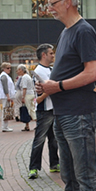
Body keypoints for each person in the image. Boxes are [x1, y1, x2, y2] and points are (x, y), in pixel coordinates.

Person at [37, 0, 96, 191]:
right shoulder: (66, 32)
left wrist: (57, 86)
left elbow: (92, 73)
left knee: (85, 176)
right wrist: (52, 86)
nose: (48, 7)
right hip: (65, 113)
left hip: (77, 112)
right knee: (70, 176)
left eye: (52, 2)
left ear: (68, 3)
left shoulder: (83, 30)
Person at [28, 44, 60, 179]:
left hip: (53, 108)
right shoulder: (39, 71)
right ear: (44, 55)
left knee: (53, 139)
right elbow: (45, 90)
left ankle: (54, 164)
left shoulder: (51, 69)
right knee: (39, 139)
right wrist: (52, 88)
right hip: (44, 109)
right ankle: (33, 167)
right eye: (51, 53)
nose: (53, 55)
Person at [0, 62, 15, 132]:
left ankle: (5, 126)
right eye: (8, 68)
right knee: (5, 110)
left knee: (6, 110)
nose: (9, 69)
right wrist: (8, 96)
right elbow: (5, 87)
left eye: (10, 68)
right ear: (3, 68)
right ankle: (4, 126)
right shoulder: (4, 76)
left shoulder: (6, 75)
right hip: (5, 96)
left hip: (6, 95)